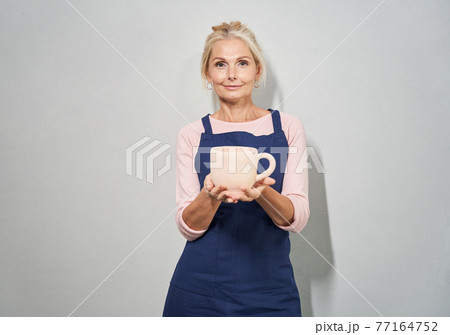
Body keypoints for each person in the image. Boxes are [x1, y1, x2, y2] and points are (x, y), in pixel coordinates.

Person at [162, 21, 310, 317]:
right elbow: (187, 227)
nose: (231, 74)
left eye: (242, 63)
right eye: (220, 64)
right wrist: (210, 196)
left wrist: (261, 192)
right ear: (208, 74)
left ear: (257, 71)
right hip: (200, 288)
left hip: (271, 288)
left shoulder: (288, 127)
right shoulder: (191, 134)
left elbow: (297, 219)